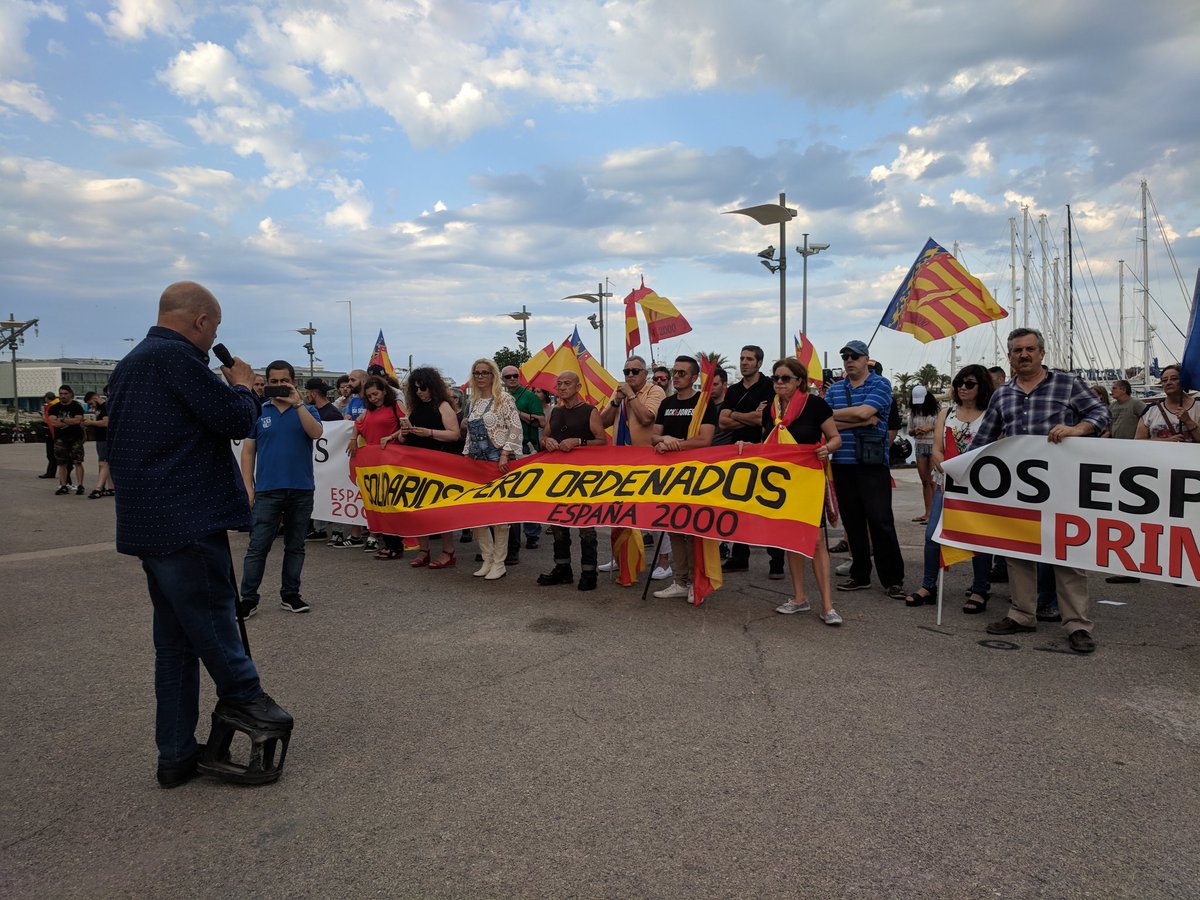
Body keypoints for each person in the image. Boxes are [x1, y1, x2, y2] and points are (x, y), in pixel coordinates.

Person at [107, 280, 291, 789]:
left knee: (176, 645)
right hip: (187, 521)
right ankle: (251, 701)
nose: (213, 339)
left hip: (151, 522)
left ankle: (176, 755)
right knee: (213, 621)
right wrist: (242, 383)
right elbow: (235, 419)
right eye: (215, 328)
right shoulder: (176, 359)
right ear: (201, 322)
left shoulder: (132, 363)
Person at [970, 327, 1110, 654]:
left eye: (1030, 349)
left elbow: (1100, 413)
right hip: (1019, 489)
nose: (1024, 355)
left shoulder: (1068, 384)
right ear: (1009, 357)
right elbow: (985, 439)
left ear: (1041, 352)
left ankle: (1077, 624)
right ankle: (1021, 614)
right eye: (1017, 350)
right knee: (1018, 552)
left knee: (1067, 555)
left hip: (1063, 486)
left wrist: (1078, 429)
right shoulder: (1002, 394)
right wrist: (959, 468)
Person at [760, 358, 843, 625]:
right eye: (775, 378)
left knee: (817, 541)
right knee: (790, 539)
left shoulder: (816, 405)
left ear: (799, 381)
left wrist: (826, 449)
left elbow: (835, 438)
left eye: (785, 378)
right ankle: (799, 598)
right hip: (780, 484)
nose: (779, 383)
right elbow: (765, 444)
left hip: (808, 481)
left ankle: (828, 606)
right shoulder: (770, 410)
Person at [906, 365, 994, 612]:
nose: (962, 388)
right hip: (947, 485)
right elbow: (936, 447)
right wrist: (942, 465)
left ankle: (979, 589)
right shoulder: (947, 412)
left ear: (981, 387)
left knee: (980, 540)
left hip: (979, 488)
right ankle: (929, 585)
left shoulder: (990, 414)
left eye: (969, 384)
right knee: (933, 535)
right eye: (959, 383)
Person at [239, 361, 324, 615]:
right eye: (273, 381)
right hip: (267, 490)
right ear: (266, 383)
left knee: (295, 545)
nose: (278, 386)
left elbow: (316, 432)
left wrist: (297, 404)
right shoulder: (259, 410)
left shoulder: (307, 409)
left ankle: (290, 594)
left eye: (283, 381)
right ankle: (249, 599)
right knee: (258, 547)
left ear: (293, 381)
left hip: (301, 488)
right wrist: (248, 488)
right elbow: (248, 452)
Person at [828, 341, 906, 600]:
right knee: (853, 523)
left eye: (855, 356)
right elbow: (825, 421)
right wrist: (862, 420)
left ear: (866, 359)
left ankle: (893, 579)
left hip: (872, 466)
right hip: (842, 463)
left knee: (880, 521)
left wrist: (843, 417)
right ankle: (859, 574)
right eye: (845, 356)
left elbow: (866, 412)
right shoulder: (836, 388)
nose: (849, 360)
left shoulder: (880, 384)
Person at [651, 356, 718, 603]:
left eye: (681, 373)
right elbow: (654, 437)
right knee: (675, 530)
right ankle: (680, 581)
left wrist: (673, 444)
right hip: (669, 474)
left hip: (695, 474)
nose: (676, 376)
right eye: (674, 372)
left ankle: (696, 581)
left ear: (693, 377)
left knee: (694, 530)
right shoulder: (666, 403)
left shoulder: (703, 403)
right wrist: (666, 441)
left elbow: (704, 440)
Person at [598, 355, 669, 577]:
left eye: (635, 371)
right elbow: (603, 423)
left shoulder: (655, 391)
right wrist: (616, 401)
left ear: (645, 373)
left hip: (648, 459)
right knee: (620, 510)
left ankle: (664, 562)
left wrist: (630, 396)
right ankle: (622, 556)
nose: (629, 375)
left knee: (654, 511)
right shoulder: (619, 393)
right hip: (621, 460)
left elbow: (647, 418)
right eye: (626, 371)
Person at [536, 371, 607, 591]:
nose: (563, 387)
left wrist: (578, 441)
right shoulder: (555, 412)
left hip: (584, 478)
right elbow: (544, 437)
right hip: (558, 477)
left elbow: (602, 441)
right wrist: (546, 442)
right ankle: (562, 569)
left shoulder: (589, 411)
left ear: (578, 386)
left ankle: (589, 571)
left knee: (585, 526)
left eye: (567, 383)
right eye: (559, 384)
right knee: (558, 524)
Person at [720, 345, 785, 579]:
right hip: (737, 454)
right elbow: (723, 422)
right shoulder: (734, 390)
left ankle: (776, 561)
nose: (744, 362)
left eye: (749, 359)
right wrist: (748, 417)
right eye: (742, 358)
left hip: (764, 452)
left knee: (768, 508)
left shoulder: (769, 386)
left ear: (759, 363)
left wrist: (735, 415)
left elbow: (765, 419)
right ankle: (739, 557)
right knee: (739, 506)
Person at [463, 358, 522, 580]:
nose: (480, 376)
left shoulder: (504, 399)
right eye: (477, 372)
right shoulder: (474, 401)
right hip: (476, 460)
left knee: (499, 514)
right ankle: (486, 558)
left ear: (493, 375)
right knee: (477, 513)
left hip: (498, 458)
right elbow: (469, 433)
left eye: (485, 373)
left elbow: (515, 428)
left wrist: (506, 453)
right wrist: (466, 455)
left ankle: (499, 561)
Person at [401, 366, 462, 570]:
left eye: (423, 387)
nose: (419, 391)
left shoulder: (443, 405)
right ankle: (424, 549)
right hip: (416, 463)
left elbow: (454, 434)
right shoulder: (414, 407)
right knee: (419, 508)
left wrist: (428, 432)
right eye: (416, 388)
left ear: (433, 387)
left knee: (440, 509)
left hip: (438, 463)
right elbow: (405, 434)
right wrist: (403, 433)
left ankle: (448, 551)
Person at [351, 375, 408, 560]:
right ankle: (389, 543)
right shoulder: (369, 411)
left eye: (375, 394)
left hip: (392, 460)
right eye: (369, 396)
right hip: (375, 463)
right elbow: (357, 424)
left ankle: (395, 545)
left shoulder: (395, 406)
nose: (373, 398)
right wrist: (353, 439)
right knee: (381, 503)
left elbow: (407, 427)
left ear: (384, 391)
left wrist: (391, 437)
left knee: (391, 503)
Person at [502, 365, 545, 561]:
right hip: (507, 449)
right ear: (502, 379)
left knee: (526, 490)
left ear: (519, 377)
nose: (512, 379)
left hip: (526, 447)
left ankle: (532, 533)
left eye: (514, 375)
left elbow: (541, 422)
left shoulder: (529, 397)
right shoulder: (500, 398)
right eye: (507, 376)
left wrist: (517, 413)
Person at [303, 378, 346, 543]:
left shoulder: (332, 413)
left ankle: (338, 530)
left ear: (313, 393)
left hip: (332, 461)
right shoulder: (314, 412)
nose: (307, 396)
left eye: (308, 393)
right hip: (318, 461)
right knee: (319, 493)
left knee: (333, 494)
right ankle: (319, 528)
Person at [1136, 365, 1197, 443]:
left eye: (1174, 379)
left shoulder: (1197, 406)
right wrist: (1166, 441)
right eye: (1164, 380)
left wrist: (1188, 421)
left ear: (1183, 380)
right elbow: (1138, 441)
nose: (1168, 382)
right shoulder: (1150, 410)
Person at [908, 385, 940, 524]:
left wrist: (930, 427)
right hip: (920, 446)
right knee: (925, 481)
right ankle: (927, 512)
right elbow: (909, 431)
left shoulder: (937, 410)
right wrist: (916, 431)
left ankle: (935, 513)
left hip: (933, 445)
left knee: (933, 481)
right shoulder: (913, 412)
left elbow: (942, 425)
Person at [48, 384, 86, 496]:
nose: (63, 396)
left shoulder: (77, 406)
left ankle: (80, 485)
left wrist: (62, 420)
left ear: (71, 394)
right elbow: (53, 422)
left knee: (78, 462)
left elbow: (78, 420)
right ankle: (63, 485)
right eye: (61, 394)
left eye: (65, 393)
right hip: (60, 439)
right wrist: (69, 421)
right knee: (61, 463)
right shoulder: (54, 408)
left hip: (75, 438)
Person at [85, 388, 115, 498]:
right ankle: (111, 487)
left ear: (95, 398)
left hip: (105, 438)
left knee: (104, 462)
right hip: (100, 438)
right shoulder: (99, 408)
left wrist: (91, 422)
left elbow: (106, 422)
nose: (92, 406)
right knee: (105, 463)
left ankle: (98, 488)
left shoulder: (105, 407)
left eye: (91, 403)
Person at [38, 392, 58, 478]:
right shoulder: (58, 404)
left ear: (47, 398)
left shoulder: (50, 406)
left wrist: (42, 414)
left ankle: (50, 472)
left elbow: (47, 420)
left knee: (51, 454)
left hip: (51, 432)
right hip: (58, 432)